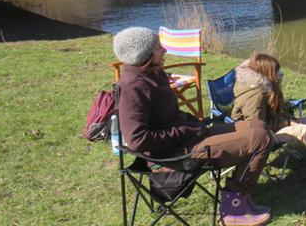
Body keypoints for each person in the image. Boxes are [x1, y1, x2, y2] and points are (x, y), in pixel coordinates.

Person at [113, 26, 273, 226]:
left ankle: (241, 199)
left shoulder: (154, 75)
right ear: (144, 54)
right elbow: (137, 140)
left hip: (187, 138)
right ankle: (234, 207)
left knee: (259, 127)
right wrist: (188, 130)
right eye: (158, 47)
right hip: (171, 156)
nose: (164, 50)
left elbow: (170, 115)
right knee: (260, 139)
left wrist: (193, 124)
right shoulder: (132, 86)